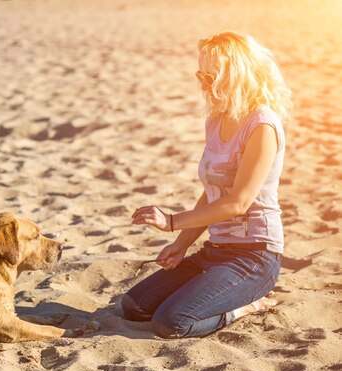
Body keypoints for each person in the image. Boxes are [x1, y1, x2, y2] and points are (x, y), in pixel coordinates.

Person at [122, 31, 292, 339]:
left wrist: (172, 221)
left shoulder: (262, 125)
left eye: (211, 74)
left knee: (170, 323)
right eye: (201, 72)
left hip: (254, 256)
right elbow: (212, 194)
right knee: (134, 306)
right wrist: (182, 244)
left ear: (235, 74)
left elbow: (237, 202)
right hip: (215, 251)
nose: (203, 81)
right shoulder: (217, 119)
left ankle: (248, 306)